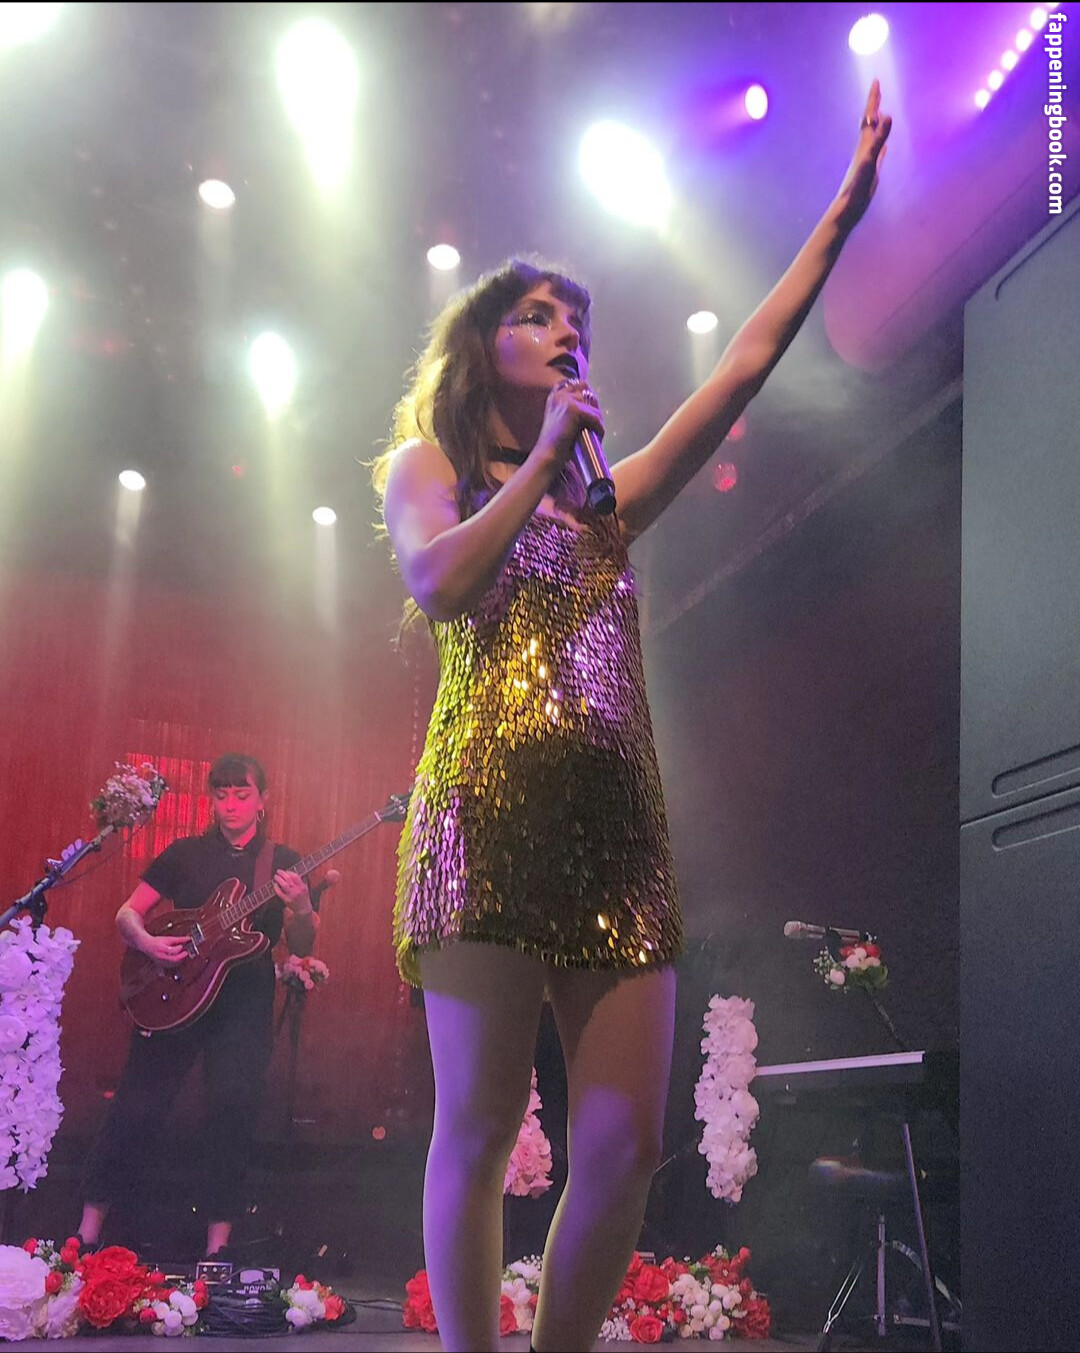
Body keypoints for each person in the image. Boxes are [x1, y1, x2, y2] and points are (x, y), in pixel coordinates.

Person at [374, 84, 891, 1352]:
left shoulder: (615, 499)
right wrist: (542, 464)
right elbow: (439, 583)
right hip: (482, 821)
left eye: (579, 321)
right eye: (538, 314)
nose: (567, 332)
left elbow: (744, 366)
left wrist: (843, 213)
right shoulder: (434, 468)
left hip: (618, 837)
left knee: (625, 1141)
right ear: (483, 344)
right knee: (479, 1129)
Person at [78, 753, 317, 1259]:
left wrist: (301, 905)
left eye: (242, 794)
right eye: (221, 794)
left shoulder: (282, 860)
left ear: (263, 800)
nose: (230, 804)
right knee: (136, 1104)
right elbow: (128, 913)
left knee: (232, 1113)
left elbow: (300, 943)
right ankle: (86, 1234)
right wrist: (147, 944)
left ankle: (217, 1250)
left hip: (243, 1003)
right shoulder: (184, 853)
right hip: (175, 990)